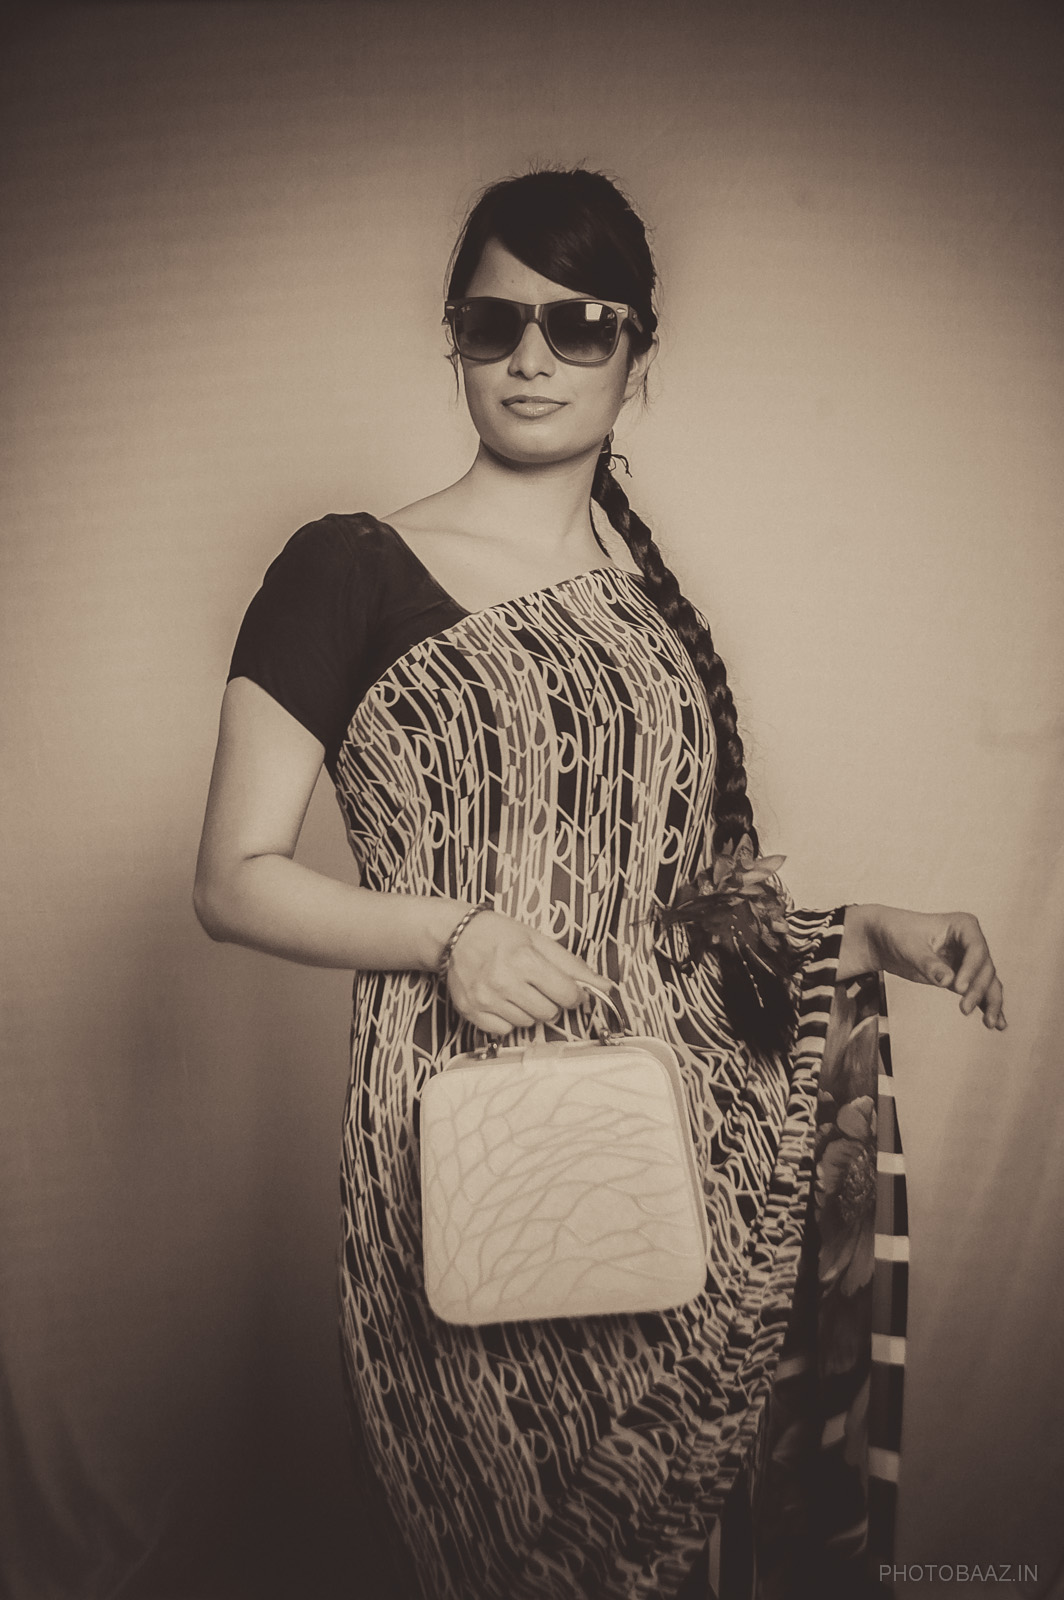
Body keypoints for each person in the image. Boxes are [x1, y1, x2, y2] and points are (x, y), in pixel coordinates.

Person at [194, 168, 1005, 1600]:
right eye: (493, 322)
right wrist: (449, 935)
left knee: (692, 1549)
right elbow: (232, 880)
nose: (532, 358)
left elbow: (676, 929)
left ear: (639, 354)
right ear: (454, 340)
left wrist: (867, 931)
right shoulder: (348, 569)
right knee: (518, 1526)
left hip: (673, 1133)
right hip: (466, 1128)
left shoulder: (653, 619)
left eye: (579, 325)